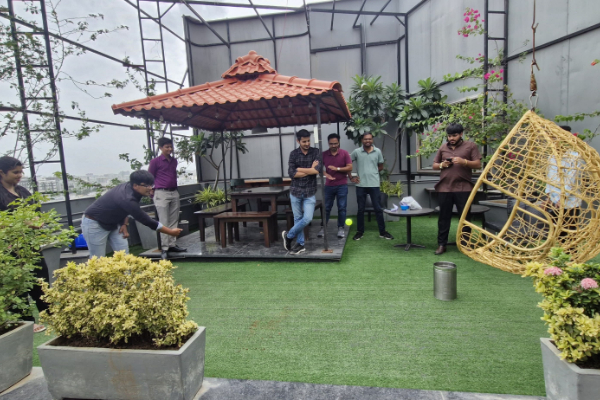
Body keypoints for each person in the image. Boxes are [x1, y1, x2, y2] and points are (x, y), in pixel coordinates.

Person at [82, 170, 182, 258]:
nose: (150, 188)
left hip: (114, 223)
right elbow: (146, 220)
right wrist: (170, 232)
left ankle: (126, 275)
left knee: (124, 257)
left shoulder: (132, 189)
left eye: (151, 185)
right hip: (94, 223)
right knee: (97, 259)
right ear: (135, 185)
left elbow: (125, 209)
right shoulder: (127, 198)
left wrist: (124, 224)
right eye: (146, 185)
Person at [0, 156, 48, 333]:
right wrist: (22, 223)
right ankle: (27, 321)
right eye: (15, 172)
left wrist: (37, 221)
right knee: (18, 285)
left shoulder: (22, 191)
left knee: (40, 278)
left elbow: (37, 213)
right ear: (2, 172)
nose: (19, 175)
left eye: (21, 172)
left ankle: (48, 312)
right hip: (8, 247)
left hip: (29, 245)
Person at [432, 123, 482, 255]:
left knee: (465, 218)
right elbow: (434, 165)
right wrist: (442, 165)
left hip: (464, 187)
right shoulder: (443, 147)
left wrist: (463, 162)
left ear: (461, 134)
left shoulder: (470, 146)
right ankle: (441, 245)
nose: (451, 138)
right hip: (444, 187)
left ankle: (465, 245)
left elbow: (478, 164)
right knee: (443, 218)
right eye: (449, 136)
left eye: (454, 135)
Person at [282, 129, 322, 255]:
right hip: (295, 191)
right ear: (298, 141)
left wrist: (300, 169)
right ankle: (300, 244)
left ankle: (289, 235)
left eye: (308, 141)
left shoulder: (316, 152)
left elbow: (317, 170)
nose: (307, 143)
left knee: (307, 218)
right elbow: (292, 174)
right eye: (304, 141)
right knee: (298, 218)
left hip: (310, 192)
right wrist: (310, 169)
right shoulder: (293, 154)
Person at [544, 125, 585, 243]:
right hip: (553, 202)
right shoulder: (551, 157)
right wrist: (548, 197)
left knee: (568, 234)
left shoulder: (574, 157)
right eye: (552, 138)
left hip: (569, 203)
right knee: (555, 234)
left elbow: (571, 181)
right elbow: (549, 178)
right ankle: (558, 253)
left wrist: (561, 199)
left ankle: (571, 254)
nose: (553, 141)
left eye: (556, 138)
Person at [350, 133, 394, 241]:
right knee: (361, 209)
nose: (368, 141)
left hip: (374, 184)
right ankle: (360, 232)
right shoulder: (356, 152)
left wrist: (372, 173)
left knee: (378, 209)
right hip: (361, 185)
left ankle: (382, 232)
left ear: (372, 140)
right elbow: (348, 164)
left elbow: (381, 166)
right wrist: (351, 177)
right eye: (365, 139)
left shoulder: (377, 151)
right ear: (362, 140)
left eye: (369, 139)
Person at [149, 137, 187, 260]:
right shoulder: (155, 162)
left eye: (171, 147)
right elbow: (149, 177)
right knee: (164, 221)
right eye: (167, 147)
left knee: (174, 220)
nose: (170, 149)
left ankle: (172, 245)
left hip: (174, 192)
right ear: (160, 148)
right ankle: (164, 248)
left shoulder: (174, 161)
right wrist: (151, 192)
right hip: (161, 193)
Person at [318, 133, 352, 239]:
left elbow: (349, 167)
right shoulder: (323, 154)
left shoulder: (344, 153)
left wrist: (337, 169)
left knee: (342, 207)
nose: (333, 145)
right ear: (328, 143)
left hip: (342, 185)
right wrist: (326, 174)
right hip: (329, 185)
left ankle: (341, 228)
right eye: (331, 144)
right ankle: (323, 227)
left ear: (339, 142)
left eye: (335, 143)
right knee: (326, 208)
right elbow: (318, 168)